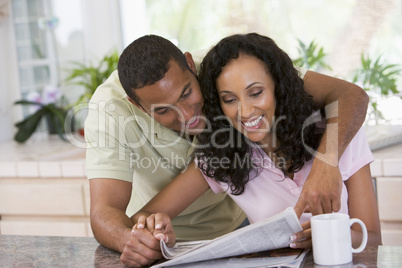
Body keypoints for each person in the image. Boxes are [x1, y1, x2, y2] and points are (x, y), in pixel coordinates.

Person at [85, 34, 369, 267]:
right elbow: (114, 213)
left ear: (190, 66)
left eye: (186, 93)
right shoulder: (219, 156)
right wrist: (142, 236)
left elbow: (350, 96)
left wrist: (326, 165)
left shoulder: (229, 67)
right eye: (229, 100)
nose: (185, 115)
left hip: (239, 227)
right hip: (183, 245)